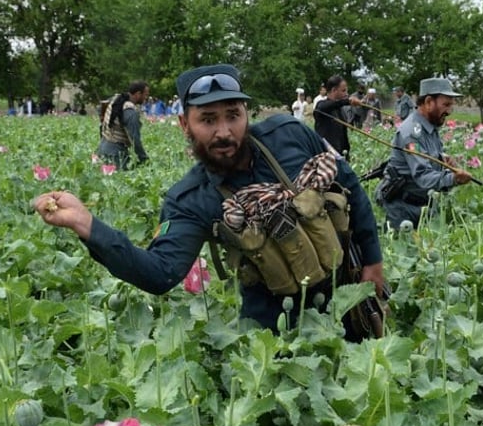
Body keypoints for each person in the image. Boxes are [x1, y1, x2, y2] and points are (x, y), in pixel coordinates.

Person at [35, 63, 385, 334]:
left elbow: (349, 185)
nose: (224, 131)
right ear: (184, 124)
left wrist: (373, 261)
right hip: (274, 326)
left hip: (348, 296)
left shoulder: (289, 135)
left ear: (247, 114)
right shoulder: (191, 200)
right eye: (207, 119)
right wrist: (86, 225)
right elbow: (159, 273)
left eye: (233, 115)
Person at [375, 77, 474, 230]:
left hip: (424, 205)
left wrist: (443, 161)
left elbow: (430, 157)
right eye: (446, 105)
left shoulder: (430, 127)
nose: (449, 111)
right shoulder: (412, 132)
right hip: (403, 210)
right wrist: (454, 178)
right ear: (428, 102)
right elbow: (423, 176)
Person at [97, 80, 150, 170]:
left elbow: (100, 110)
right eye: (145, 95)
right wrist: (144, 159)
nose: (146, 98)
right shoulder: (130, 112)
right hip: (115, 154)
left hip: (102, 148)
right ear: (138, 94)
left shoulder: (115, 99)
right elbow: (135, 140)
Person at [314, 75, 361, 159]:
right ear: (333, 90)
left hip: (340, 155)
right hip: (326, 158)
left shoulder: (340, 110)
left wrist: (346, 156)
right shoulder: (322, 106)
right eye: (343, 90)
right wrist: (348, 101)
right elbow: (324, 107)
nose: (346, 93)